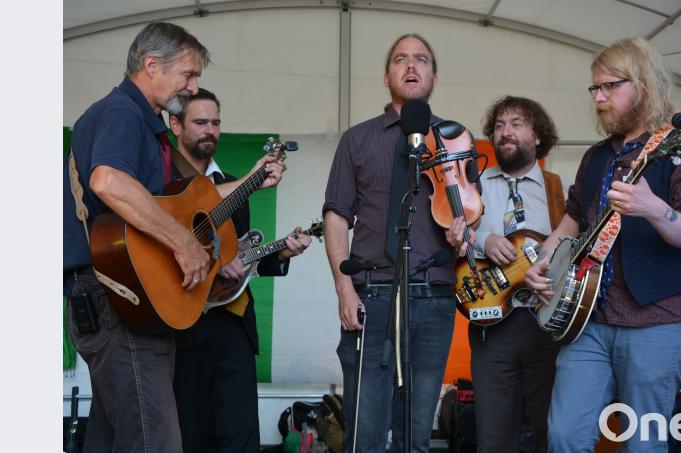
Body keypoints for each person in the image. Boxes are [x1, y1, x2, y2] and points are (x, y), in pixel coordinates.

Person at [62, 22, 284, 452]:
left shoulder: (140, 122)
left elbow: (181, 206)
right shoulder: (124, 112)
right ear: (151, 65)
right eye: (188, 74)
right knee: (154, 440)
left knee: (112, 438)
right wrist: (183, 244)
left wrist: (251, 181)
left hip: (121, 298)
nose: (193, 85)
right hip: (120, 299)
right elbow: (108, 181)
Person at [524, 37, 681, 452]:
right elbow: (572, 221)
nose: (599, 97)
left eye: (609, 86)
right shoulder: (596, 156)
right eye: (594, 88)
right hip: (589, 319)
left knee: (643, 443)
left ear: (643, 84)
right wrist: (543, 260)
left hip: (658, 319)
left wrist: (652, 207)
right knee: (563, 436)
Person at [322, 33, 457, 453]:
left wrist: (464, 233)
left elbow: (468, 212)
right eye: (401, 59)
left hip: (434, 296)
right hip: (373, 293)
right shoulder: (357, 139)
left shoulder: (455, 139)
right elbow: (336, 216)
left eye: (421, 59)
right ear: (387, 76)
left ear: (435, 76)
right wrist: (345, 292)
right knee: (365, 434)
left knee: (416, 435)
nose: (411, 66)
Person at [168, 88, 311, 452]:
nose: (210, 130)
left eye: (215, 123)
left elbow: (241, 257)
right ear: (175, 124)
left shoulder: (234, 182)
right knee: (187, 433)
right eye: (200, 122)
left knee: (240, 434)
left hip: (232, 324)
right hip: (183, 324)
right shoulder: (164, 185)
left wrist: (281, 255)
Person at [445, 96, 563, 453]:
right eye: (499, 126)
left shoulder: (559, 187)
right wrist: (484, 239)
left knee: (550, 430)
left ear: (538, 136)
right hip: (491, 325)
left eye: (516, 124)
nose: (505, 132)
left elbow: (574, 248)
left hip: (546, 321)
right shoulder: (473, 185)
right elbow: (451, 235)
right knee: (494, 435)